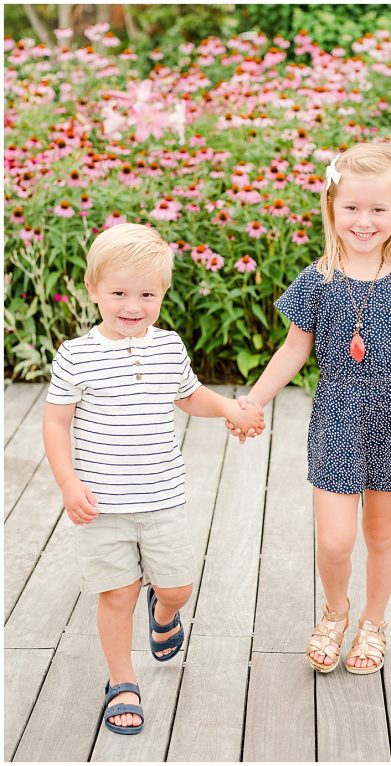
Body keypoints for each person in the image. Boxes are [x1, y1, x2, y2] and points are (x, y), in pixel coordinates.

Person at [227, 142, 391, 675]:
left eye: (377, 210)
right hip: (338, 418)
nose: (364, 221)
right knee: (335, 539)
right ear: (332, 208)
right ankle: (335, 611)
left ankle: (374, 621)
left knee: (382, 534)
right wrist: (253, 400)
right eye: (352, 208)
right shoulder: (316, 280)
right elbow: (293, 349)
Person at [41, 223, 266, 736]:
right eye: (118, 292)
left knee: (178, 587)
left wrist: (231, 407)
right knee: (116, 593)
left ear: (163, 293)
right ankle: (122, 679)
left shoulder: (167, 347)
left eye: (147, 294)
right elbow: (56, 422)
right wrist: (68, 483)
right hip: (101, 504)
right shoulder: (77, 356)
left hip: (162, 498)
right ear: (92, 289)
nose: (132, 305)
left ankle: (164, 614)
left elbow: (188, 395)